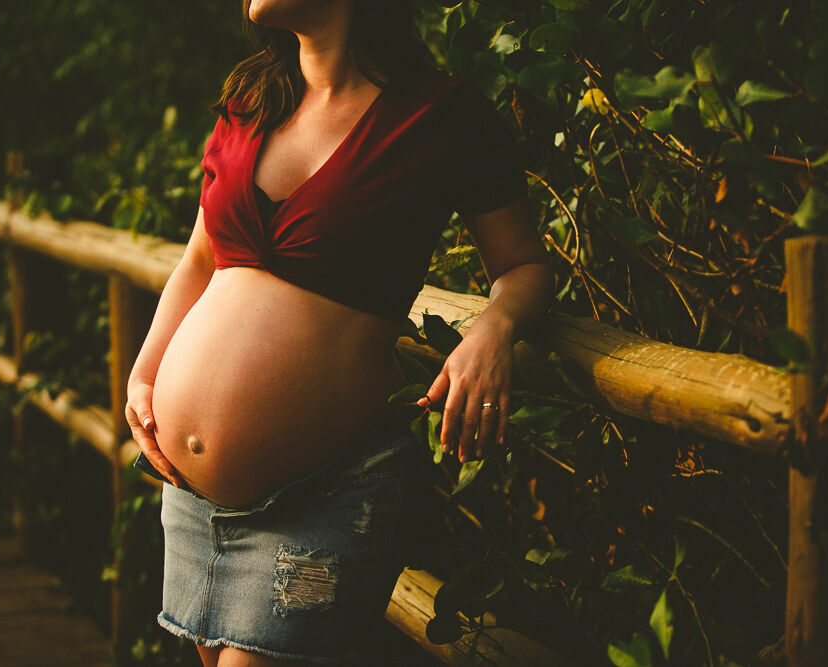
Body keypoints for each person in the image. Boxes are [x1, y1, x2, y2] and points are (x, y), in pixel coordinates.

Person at [124, 0, 555, 664]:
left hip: (323, 490)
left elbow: (523, 264)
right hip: (191, 497)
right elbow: (200, 261)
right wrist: (146, 373)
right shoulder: (249, 102)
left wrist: (494, 327)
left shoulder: (443, 115)